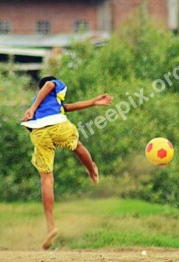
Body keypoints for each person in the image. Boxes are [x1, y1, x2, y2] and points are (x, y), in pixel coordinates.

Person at [21, 76, 112, 250]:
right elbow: (48, 84)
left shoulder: (45, 103)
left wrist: (93, 102)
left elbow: (67, 107)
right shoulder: (54, 84)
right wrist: (32, 108)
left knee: (46, 179)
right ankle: (92, 170)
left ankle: (51, 226)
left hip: (38, 131)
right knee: (77, 146)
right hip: (56, 125)